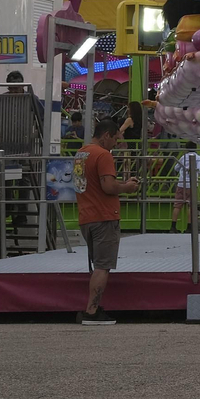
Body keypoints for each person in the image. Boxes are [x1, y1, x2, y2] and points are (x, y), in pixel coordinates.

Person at [74, 121, 139, 325]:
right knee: (103, 266)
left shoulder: (81, 154)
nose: (116, 143)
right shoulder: (103, 155)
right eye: (115, 138)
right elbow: (108, 186)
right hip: (104, 216)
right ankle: (91, 311)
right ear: (106, 136)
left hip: (86, 215)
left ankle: (92, 308)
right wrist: (128, 187)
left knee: (97, 265)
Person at [171, 148, 200, 233]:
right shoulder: (198, 157)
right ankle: (189, 227)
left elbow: (176, 168)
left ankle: (173, 226)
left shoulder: (183, 157)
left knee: (177, 205)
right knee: (191, 206)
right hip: (192, 184)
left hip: (181, 183)